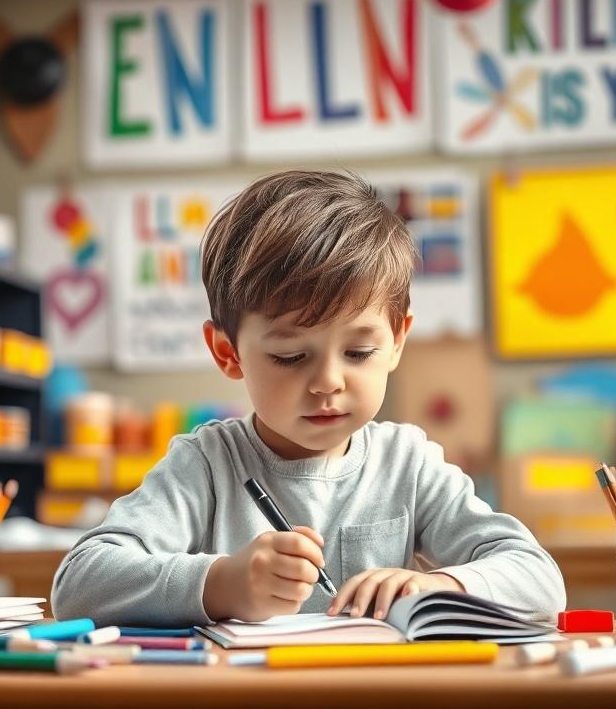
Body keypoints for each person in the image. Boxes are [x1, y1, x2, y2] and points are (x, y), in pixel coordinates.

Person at [51, 170, 565, 627]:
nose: (327, 382)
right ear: (228, 352)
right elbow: (77, 584)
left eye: (359, 352)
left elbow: (541, 582)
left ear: (397, 343)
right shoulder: (206, 465)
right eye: (291, 357)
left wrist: (443, 586)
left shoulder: (407, 464)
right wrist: (224, 583)